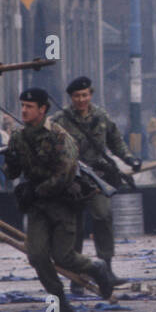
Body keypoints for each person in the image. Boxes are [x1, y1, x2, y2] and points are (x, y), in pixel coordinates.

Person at [4, 87, 113, 312]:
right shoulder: (18, 137)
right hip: (37, 207)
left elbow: (65, 173)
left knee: (64, 257)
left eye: (29, 107)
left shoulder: (59, 136)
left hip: (61, 204)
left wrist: (38, 190)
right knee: (37, 256)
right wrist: (10, 164)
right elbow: (11, 173)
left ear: (42, 110)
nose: (24, 110)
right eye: (22, 105)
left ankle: (96, 269)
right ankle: (59, 300)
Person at [51, 76, 141, 287]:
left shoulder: (101, 116)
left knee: (103, 215)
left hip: (97, 177)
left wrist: (129, 158)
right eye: (76, 96)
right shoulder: (59, 120)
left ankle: (107, 267)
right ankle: (77, 275)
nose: (81, 99)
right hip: (72, 179)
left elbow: (116, 141)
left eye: (84, 95)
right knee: (75, 226)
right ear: (71, 97)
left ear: (90, 95)